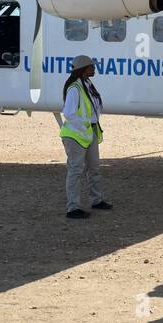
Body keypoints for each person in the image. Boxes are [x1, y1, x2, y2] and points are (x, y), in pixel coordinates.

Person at [59, 54, 112, 219]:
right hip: (76, 135)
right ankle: (73, 208)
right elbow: (68, 113)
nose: (94, 68)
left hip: (88, 133)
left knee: (94, 168)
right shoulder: (75, 88)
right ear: (83, 70)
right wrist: (84, 126)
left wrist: (88, 128)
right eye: (91, 66)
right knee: (75, 170)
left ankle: (96, 200)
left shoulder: (87, 84)